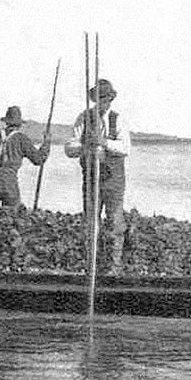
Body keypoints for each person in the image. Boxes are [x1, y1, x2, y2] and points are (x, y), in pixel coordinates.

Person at [64, 79, 131, 270]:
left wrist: (104, 142)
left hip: (113, 179)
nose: (104, 102)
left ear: (111, 99)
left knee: (115, 221)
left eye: (107, 98)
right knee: (91, 221)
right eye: (100, 98)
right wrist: (85, 146)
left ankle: (113, 265)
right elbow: (69, 147)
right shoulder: (84, 118)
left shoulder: (118, 119)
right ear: (94, 99)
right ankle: (91, 263)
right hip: (91, 177)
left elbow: (125, 148)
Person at [0, 106, 50, 210]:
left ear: (6, 121)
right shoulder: (21, 139)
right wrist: (46, 143)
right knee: (10, 216)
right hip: (9, 181)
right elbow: (38, 159)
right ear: (20, 124)